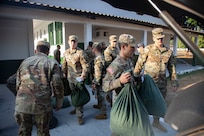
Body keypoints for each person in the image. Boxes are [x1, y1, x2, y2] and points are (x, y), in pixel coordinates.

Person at [15, 41, 64, 136]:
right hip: (42, 106)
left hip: (22, 105)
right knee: (43, 132)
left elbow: (17, 82)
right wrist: (59, 102)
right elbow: (57, 84)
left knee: (24, 132)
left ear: (35, 50)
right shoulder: (52, 62)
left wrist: (21, 98)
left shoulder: (25, 61)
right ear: (48, 52)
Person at [134, 28, 179, 132]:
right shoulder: (148, 49)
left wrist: (174, 82)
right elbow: (139, 64)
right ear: (154, 38)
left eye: (162, 38)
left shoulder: (168, 52)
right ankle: (142, 124)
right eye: (158, 38)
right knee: (145, 103)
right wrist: (135, 78)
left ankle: (156, 122)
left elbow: (172, 68)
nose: (160, 40)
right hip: (149, 83)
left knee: (159, 104)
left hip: (162, 84)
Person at [62, 35, 89, 125]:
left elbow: (85, 66)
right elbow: (64, 64)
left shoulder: (80, 52)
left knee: (78, 95)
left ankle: (79, 115)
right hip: (70, 78)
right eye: (71, 41)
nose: (73, 43)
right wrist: (64, 74)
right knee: (73, 95)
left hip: (78, 79)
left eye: (75, 41)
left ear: (77, 42)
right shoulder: (65, 52)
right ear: (68, 42)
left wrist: (82, 76)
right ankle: (76, 106)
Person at [91, 42, 107, 119]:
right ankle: (99, 105)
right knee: (98, 94)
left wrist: (95, 83)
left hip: (100, 80)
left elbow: (98, 72)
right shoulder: (102, 56)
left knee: (101, 95)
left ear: (94, 49)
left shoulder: (98, 59)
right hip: (102, 79)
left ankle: (103, 113)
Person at [103, 35, 119, 106]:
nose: (115, 43)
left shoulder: (116, 49)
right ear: (110, 41)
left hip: (117, 70)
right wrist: (114, 74)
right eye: (113, 42)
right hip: (111, 72)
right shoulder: (107, 51)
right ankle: (111, 102)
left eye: (116, 41)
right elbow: (108, 65)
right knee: (112, 88)